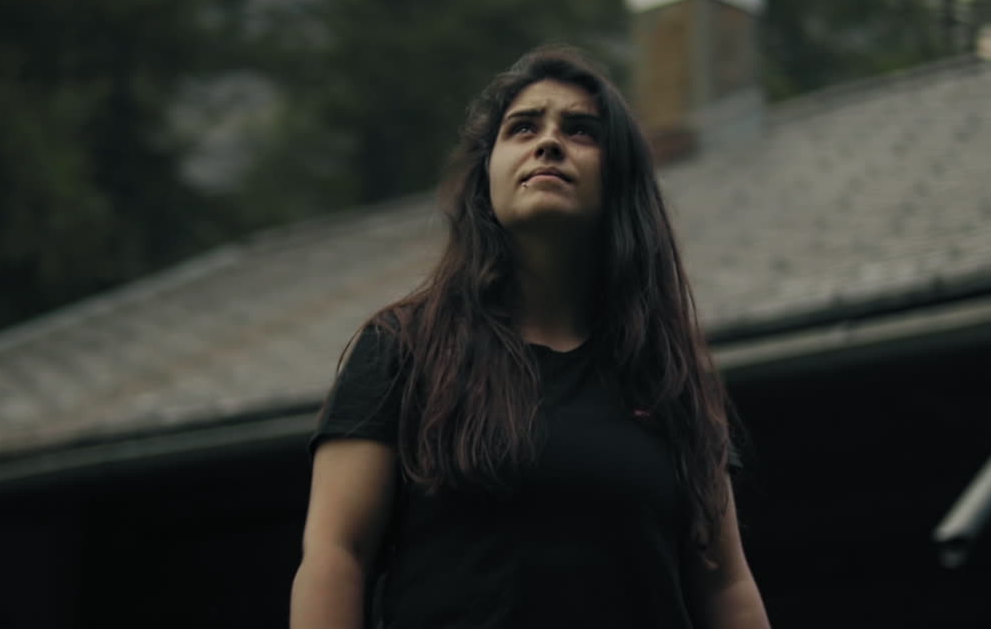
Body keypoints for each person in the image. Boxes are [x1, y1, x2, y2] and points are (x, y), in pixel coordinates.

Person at [290, 46, 770, 629]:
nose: (549, 142)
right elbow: (337, 554)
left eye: (580, 130)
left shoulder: (669, 375)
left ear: (619, 179)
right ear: (486, 173)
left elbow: (725, 584)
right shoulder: (403, 349)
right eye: (523, 127)